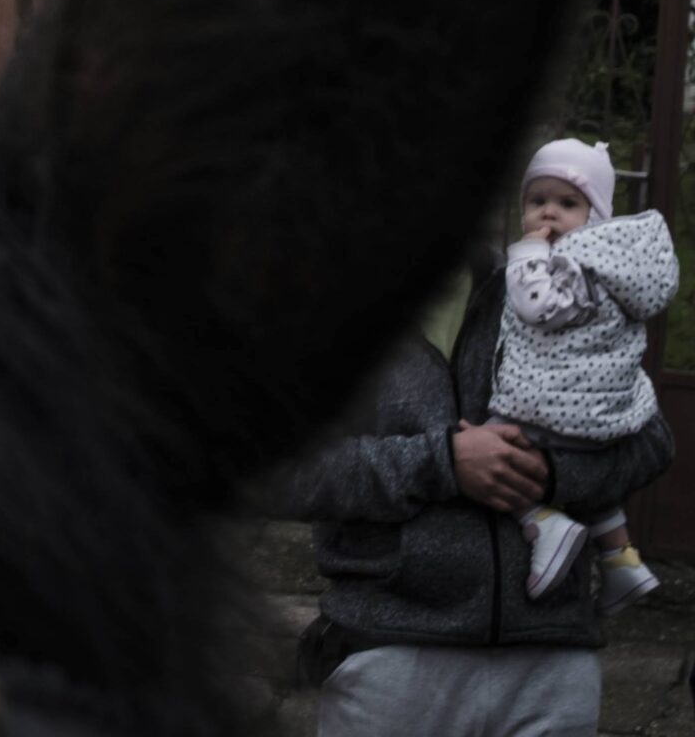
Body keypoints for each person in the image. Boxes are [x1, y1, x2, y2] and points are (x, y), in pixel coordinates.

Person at [274, 176, 676, 737]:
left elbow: (650, 443)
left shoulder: (552, 283)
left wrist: (551, 474)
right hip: (390, 658)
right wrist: (442, 462)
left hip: (549, 663)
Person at [495, 139, 678, 612]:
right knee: (596, 492)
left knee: (493, 442)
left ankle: (542, 523)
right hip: (602, 416)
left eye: (567, 204)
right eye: (537, 201)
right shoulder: (614, 267)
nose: (548, 214)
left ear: (595, 215)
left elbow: (536, 306)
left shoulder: (575, 263)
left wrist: (527, 253)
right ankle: (621, 558)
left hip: (554, 410)